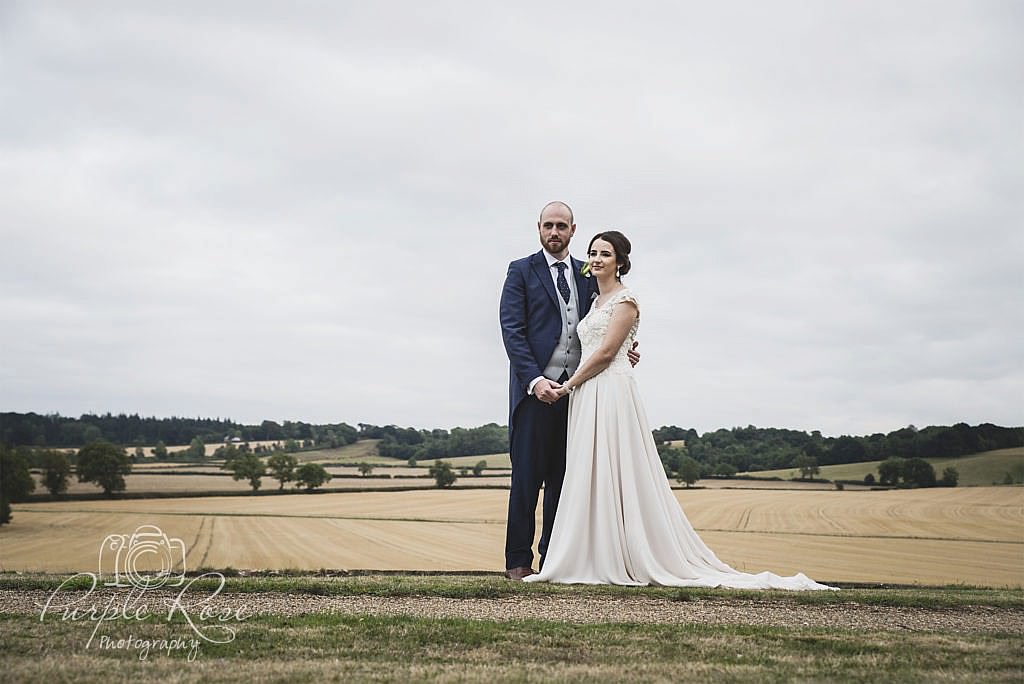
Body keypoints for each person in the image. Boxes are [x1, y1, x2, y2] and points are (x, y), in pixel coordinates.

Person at [524, 231, 833, 589]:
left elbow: (608, 353)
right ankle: (591, 552)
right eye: (592, 252)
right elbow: (599, 346)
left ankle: (627, 553)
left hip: (609, 391)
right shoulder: (594, 301)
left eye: (605, 254)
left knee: (617, 466)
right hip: (589, 393)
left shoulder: (626, 300)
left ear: (620, 262)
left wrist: (569, 385)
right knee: (590, 469)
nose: (596, 259)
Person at [499, 202, 638, 581]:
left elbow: (604, 323)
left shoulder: (586, 273)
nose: (554, 232)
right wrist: (535, 380)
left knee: (566, 481)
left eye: (562, 226)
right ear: (539, 228)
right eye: (549, 225)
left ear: (573, 230)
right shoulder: (521, 271)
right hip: (534, 393)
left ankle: (554, 560)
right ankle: (517, 563)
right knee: (526, 481)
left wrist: (626, 349)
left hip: (580, 396)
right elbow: (512, 332)